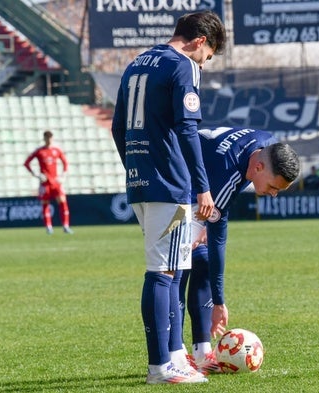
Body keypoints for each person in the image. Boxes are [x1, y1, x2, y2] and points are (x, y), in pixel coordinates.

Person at [110, 10, 226, 385]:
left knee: (170, 267)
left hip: (141, 181)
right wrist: (202, 187)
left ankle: (174, 355)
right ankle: (161, 366)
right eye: (207, 58)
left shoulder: (136, 63)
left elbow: (117, 127)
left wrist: (135, 166)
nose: (203, 66)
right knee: (163, 272)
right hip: (170, 182)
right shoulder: (184, 66)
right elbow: (189, 130)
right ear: (199, 41)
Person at [178, 127, 300, 374]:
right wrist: (219, 302)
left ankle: (202, 353)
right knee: (176, 268)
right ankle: (175, 355)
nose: (274, 195)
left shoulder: (268, 145)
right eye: (274, 187)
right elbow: (219, 238)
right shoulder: (229, 171)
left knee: (201, 262)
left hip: (199, 184)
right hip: (175, 182)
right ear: (258, 168)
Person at [23, 130, 73, 235]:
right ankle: (49, 227)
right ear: (44, 138)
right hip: (45, 183)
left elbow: (65, 163)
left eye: (51, 138)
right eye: (47, 138)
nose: (49, 140)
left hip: (56, 182)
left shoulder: (57, 150)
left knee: (63, 203)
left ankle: (65, 226)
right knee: (45, 205)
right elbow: (26, 163)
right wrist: (36, 175)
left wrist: (63, 176)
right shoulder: (39, 151)